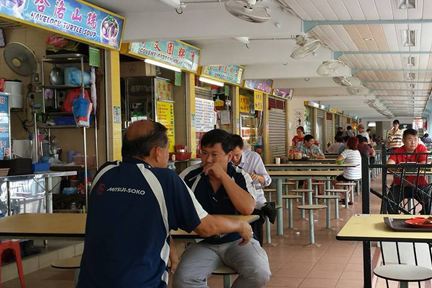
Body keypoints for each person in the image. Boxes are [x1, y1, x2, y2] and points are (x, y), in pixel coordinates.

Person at [77, 121, 253, 288]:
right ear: (157, 152)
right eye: (167, 149)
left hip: (90, 281)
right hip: (141, 281)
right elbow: (206, 227)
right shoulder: (165, 179)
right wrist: (239, 225)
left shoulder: (103, 172)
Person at [174, 129, 271, 288]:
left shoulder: (240, 176)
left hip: (238, 240)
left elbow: (247, 208)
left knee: (260, 272)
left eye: (214, 154)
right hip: (201, 242)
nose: (208, 159)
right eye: (204, 153)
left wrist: (223, 177)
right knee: (183, 279)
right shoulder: (189, 176)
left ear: (230, 156)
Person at [231, 134, 274, 246]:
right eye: (231, 155)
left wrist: (258, 177)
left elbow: (268, 180)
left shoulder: (253, 157)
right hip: (233, 200)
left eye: (237, 155)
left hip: (255, 199)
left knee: (256, 218)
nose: (234, 159)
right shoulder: (225, 160)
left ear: (242, 149)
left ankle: (257, 247)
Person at [387, 129, 432, 214]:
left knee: (428, 197)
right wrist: (396, 168)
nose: (413, 142)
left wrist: (404, 167)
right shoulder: (398, 151)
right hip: (400, 185)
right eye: (410, 139)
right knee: (390, 200)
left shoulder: (421, 148)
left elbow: (423, 163)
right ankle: (395, 220)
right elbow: (389, 164)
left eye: (415, 139)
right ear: (403, 140)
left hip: (420, 184)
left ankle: (425, 221)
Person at [334, 137, 362, 205]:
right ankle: (347, 196)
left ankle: (345, 194)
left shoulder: (347, 151)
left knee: (334, 180)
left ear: (348, 144)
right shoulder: (358, 152)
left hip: (349, 175)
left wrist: (342, 162)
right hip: (358, 175)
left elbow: (338, 160)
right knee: (348, 181)